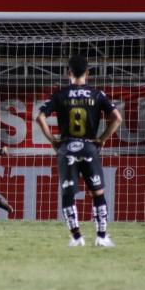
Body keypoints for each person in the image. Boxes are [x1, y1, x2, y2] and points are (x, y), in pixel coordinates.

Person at [35, 54, 122, 248]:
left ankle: (76, 238)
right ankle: (101, 236)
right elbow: (117, 117)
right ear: (88, 73)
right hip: (89, 146)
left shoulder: (60, 94)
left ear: (68, 73)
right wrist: (101, 139)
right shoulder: (97, 94)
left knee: (68, 194)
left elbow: (40, 117)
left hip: (66, 148)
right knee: (97, 192)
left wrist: (53, 141)